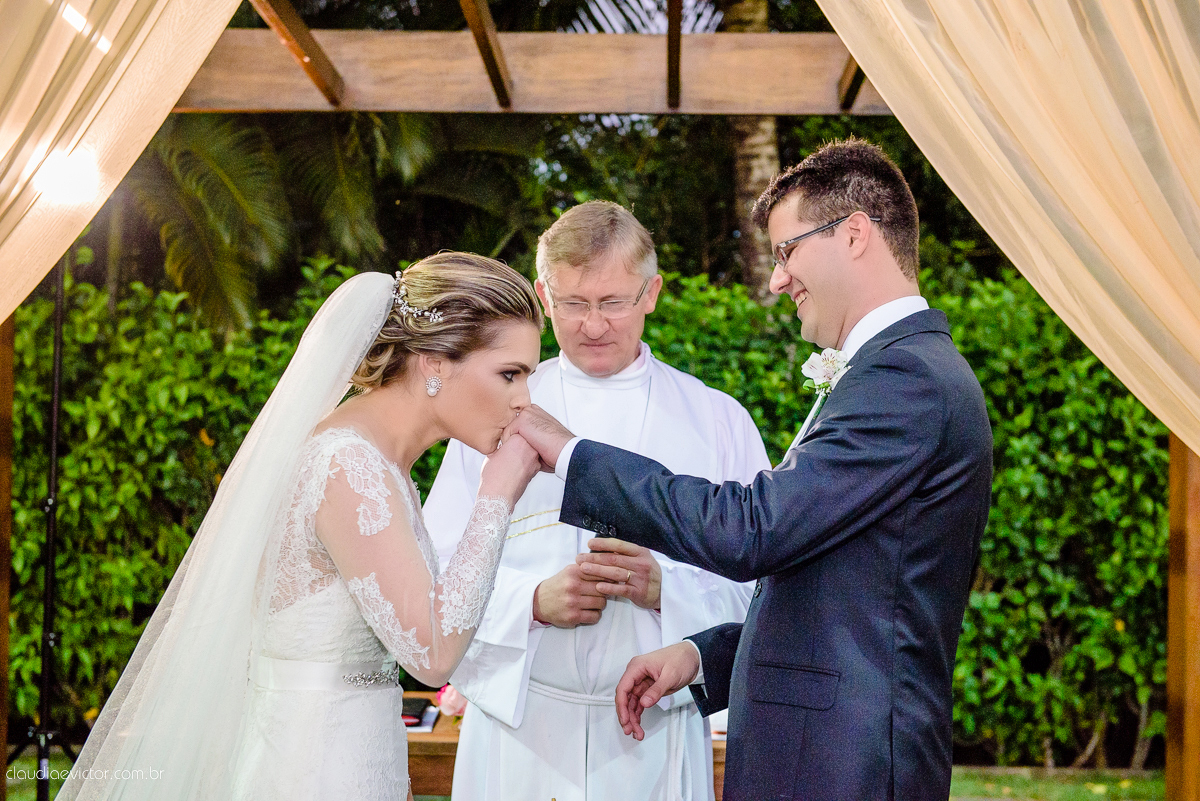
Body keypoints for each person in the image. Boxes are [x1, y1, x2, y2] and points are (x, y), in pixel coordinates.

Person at [510, 140, 994, 801]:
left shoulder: (903, 376)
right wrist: (701, 656)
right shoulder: (897, 369)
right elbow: (838, 591)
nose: (776, 278)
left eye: (787, 250)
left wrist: (569, 452)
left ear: (853, 234)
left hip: (844, 767)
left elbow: (755, 528)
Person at [58, 253, 545, 801]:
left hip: (351, 759)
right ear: (434, 362)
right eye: (510, 373)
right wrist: (498, 492)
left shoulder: (379, 461)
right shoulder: (347, 464)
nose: (524, 398)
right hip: (311, 772)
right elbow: (431, 655)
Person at [423, 201, 770, 800]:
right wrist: (532, 602)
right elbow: (433, 570)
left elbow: (766, 585)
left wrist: (667, 590)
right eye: (573, 304)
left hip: (654, 730)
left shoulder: (717, 421)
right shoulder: (493, 410)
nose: (593, 325)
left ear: (652, 293)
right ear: (542, 296)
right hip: (522, 728)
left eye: (613, 302)